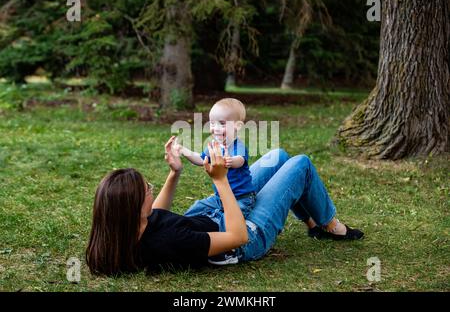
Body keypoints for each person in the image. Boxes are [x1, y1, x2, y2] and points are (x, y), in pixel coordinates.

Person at [86, 137, 363, 276]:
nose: (152, 190)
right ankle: (329, 226)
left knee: (277, 156)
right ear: (132, 208)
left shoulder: (130, 229)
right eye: (147, 190)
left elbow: (155, 213)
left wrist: (175, 173)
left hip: (208, 215)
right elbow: (237, 237)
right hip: (244, 234)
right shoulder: (170, 241)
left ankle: (313, 223)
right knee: (300, 164)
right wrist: (221, 182)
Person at [174, 98, 255, 218]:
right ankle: (184, 221)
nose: (215, 128)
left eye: (222, 123)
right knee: (196, 208)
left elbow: (240, 160)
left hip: (240, 198)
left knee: (230, 219)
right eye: (212, 123)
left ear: (237, 126)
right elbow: (201, 160)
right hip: (219, 197)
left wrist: (230, 161)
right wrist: (183, 150)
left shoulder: (238, 145)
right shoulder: (214, 145)